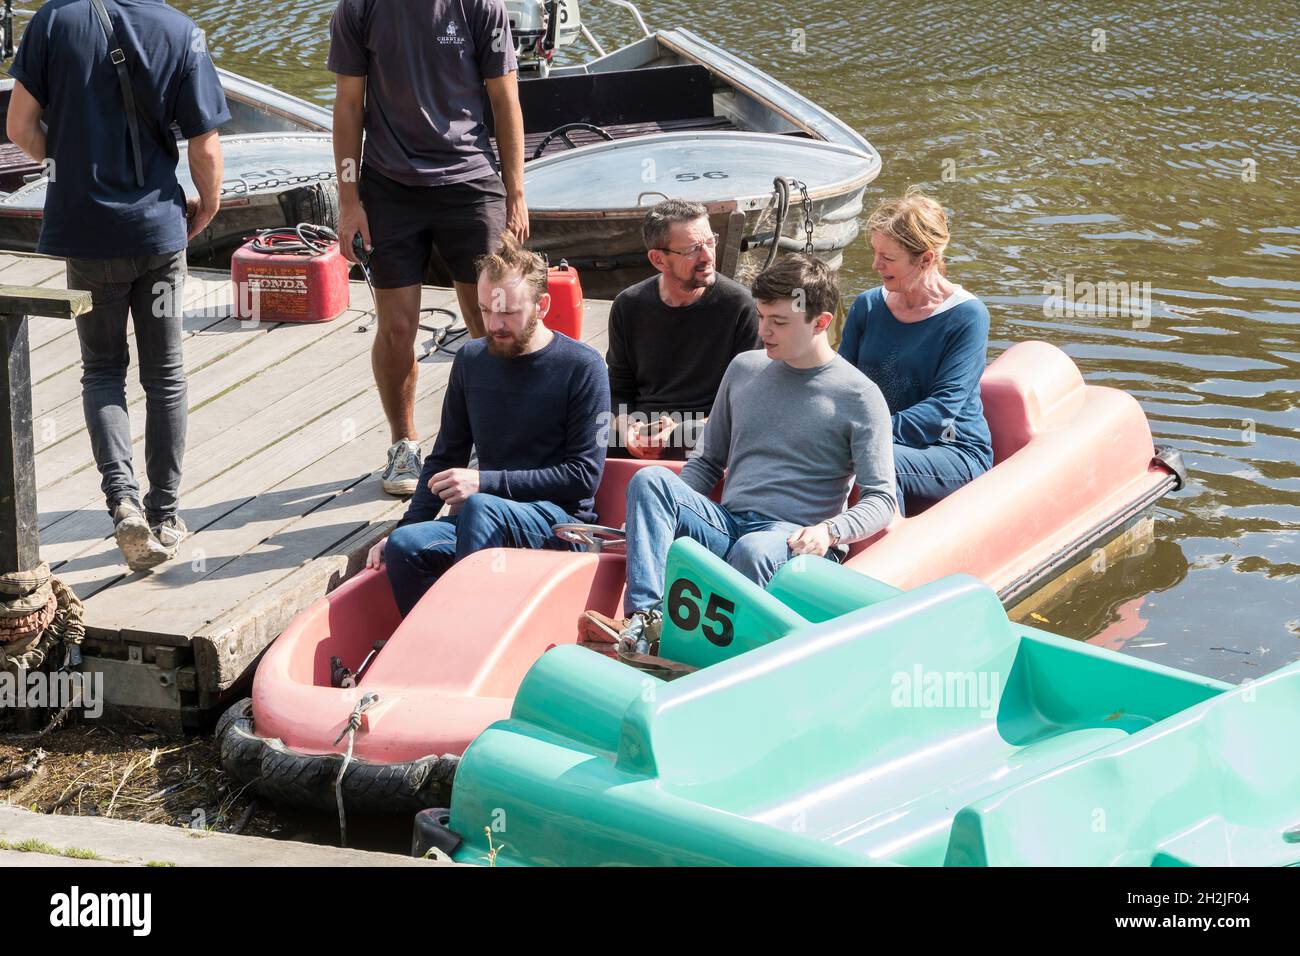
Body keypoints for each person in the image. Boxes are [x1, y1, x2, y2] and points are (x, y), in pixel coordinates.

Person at [6, 0, 228, 571]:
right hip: (158, 232)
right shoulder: (180, 31)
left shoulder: (53, 21)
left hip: (87, 235)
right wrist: (206, 210)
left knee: (102, 369)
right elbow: (204, 147)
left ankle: (123, 503)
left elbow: (19, 126)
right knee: (167, 373)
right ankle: (167, 514)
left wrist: (69, 169)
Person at [582, 255, 896, 646]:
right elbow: (708, 461)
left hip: (792, 538)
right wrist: (655, 519)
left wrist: (830, 531)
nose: (764, 330)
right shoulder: (744, 369)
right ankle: (648, 619)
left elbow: (882, 499)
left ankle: (707, 650)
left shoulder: (860, 396)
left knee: (754, 549)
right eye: (762, 316)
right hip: (728, 525)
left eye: (778, 322)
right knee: (650, 482)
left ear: (821, 322)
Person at [329, 0, 530, 498]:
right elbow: (349, 105)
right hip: (390, 186)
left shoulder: (481, 6)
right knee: (397, 326)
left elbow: (505, 99)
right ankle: (404, 443)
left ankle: (495, 439)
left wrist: (516, 193)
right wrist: (349, 201)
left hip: (471, 180)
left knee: (492, 320)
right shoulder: (358, 9)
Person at [365, 234, 609, 616]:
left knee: (479, 506)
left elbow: (584, 477)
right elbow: (446, 456)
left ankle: (473, 635)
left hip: (560, 528)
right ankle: (434, 643)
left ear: (542, 305)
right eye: (485, 311)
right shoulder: (471, 360)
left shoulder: (583, 367)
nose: (494, 324)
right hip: (484, 522)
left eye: (508, 312)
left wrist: (485, 482)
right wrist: (404, 526)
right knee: (406, 546)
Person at [839, 191, 994, 517]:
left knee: (878, 461)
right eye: (875, 252)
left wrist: (866, 437)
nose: (875, 265)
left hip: (953, 449)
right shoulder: (867, 306)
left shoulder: (967, 317)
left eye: (888, 257)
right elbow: (839, 385)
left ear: (925, 258)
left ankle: (878, 558)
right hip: (872, 440)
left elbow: (941, 411)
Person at [605, 199, 760, 460]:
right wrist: (628, 428)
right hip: (644, 424)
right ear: (658, 259)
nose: (708, 256)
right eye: (692, 249)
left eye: (710, 241)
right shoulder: (628, 305)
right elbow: (618, 389)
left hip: (709, 426)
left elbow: (747, 399)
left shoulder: (740, 306)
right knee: (584, 431)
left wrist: (678, 429)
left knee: (684, 437)